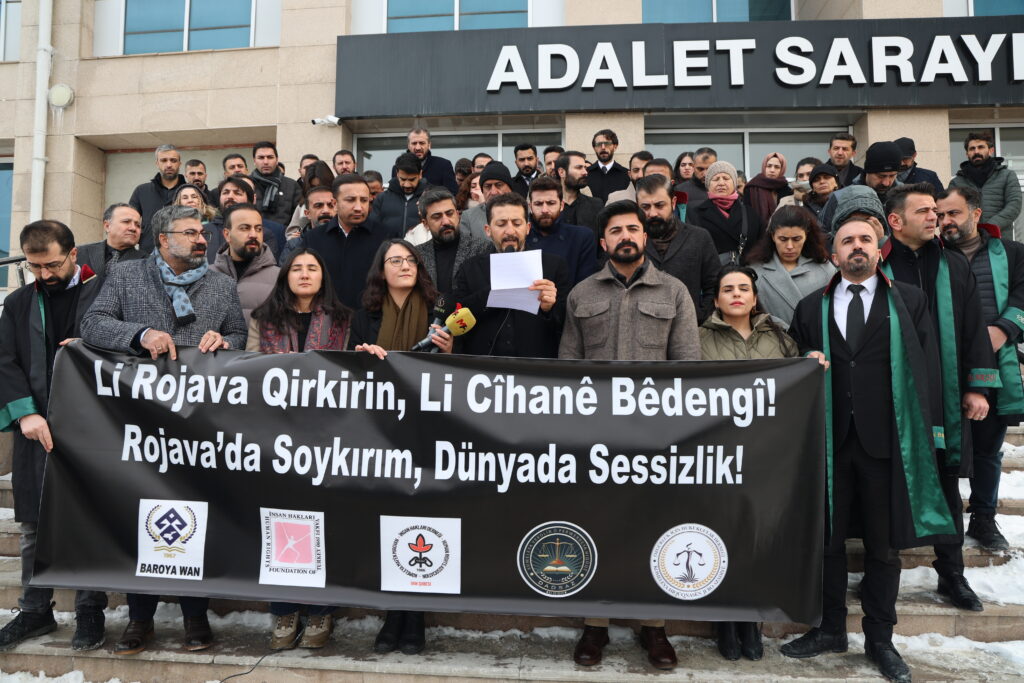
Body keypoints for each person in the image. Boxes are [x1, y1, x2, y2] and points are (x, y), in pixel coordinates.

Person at [785, 217, 957, 683]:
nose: (857, 247)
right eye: (847, 241)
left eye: (865, 239)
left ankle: (880, 638)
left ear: (879, 249)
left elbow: (928, 368)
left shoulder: (910, 301)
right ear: (833, 255)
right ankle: (830, 628)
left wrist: (933, 432)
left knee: (883, 547)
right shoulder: (810, 307)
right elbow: (795, 367)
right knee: (828, 542)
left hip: (888, 443)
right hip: (829, 443)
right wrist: (805, 362)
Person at [80, 204, 247, 655]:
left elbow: (238, 334)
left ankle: (195, 616)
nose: (201, 239)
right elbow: (92, 324)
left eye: (202, 232)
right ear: (162, 239)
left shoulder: (222, 284)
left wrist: (225, 341)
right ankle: (140, 617)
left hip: (198, 423)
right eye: (190, 233)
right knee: (142, 514)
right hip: (139, 420)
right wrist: (141, 335)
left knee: (195, 513)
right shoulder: (125, 275)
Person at [560, 200, 698, 671]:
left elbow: (688, 369)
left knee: (653, 528)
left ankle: (653, 626)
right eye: (616, 230)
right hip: (596, 439)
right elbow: (567, 370)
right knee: (596, 526)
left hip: (654, 439)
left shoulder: (674, 292)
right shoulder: (581, 293)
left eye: (633, 229)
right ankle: (594, 625)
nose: (625, 236)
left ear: (645, 236)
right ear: (603, 242)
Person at [883, 183, 994, 612]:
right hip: (891, 395)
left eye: (937, 210)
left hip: (943, 394)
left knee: (946, 482)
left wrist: (977, 386)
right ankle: (882, 576)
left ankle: (952, 574)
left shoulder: (954, 264)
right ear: (896, 221)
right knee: (886, 483)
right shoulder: (878, 265)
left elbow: (973, 327)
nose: (936, 217)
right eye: (925, 211)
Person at [0, 220, 108, 653]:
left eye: (52, 265)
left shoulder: (104, 292)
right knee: (33, 525)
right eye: (34, 266)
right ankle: (34, 610)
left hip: (94, 427)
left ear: (73, 254)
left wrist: (91, 348)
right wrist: (25, 413)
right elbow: (5, 361)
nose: (44, 274)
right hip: (37, 426)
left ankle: (90, 610)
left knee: (89, 520)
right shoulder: (18, 302)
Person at [346, 239, 451, 655]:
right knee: (388, 520)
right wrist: (362, 357)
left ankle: (416, 616)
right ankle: (393, 614)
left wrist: (452, 352)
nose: (404, 266)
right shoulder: (364, 316)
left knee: (424, 520)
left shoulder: (442, 309)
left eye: (411, 260)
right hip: (382, 432)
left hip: (430, 430)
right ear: (381, 270)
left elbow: (467, 374)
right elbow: (348, 371)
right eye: (395, 260)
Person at [245, 247, 348, 649]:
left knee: (325, 520)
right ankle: (284, 609)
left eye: (313, 268)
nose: (304, 274)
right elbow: (247, 370)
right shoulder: (263, 318)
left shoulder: (345, 320)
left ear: (323, 277)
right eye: (297, 268)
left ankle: (322, 610)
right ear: (285, 276)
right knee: (281, 522)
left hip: (327, 436)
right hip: (276, 436)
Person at [698, 264, 796, 662]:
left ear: (755, 298)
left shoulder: (780, 337)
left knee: (757, 539)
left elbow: (797, 385)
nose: (736, 294)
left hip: (765, 455)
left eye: (743, 288)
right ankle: (725, 619)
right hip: (717, 455)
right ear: (716, 299)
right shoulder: (698, 338)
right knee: (723, 536)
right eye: (728, 289)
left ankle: (750, 619)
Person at [937, 185, 1024, 552]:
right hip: (943, 363)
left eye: (953, 213)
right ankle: (942, 518)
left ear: (976, 214)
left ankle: (984, 517)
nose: (945, 221)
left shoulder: (1012, 253)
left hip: (996, 360)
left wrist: (1003, 329)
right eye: (940, 215)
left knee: (987, 446)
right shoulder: (933, 255)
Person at [453, 193, 569, 358]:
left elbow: (566, 326)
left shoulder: (554, 266)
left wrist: (549, 308)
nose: (510, 231)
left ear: (527, 228)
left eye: (517, 223)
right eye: (501, 224)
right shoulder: (470, 268)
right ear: (488, 230)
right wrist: (494, 292)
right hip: (483, 366)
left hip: (535, 367)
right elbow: (457, 319)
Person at [293, 173, 397, 309]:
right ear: (335, 203)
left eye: (364, 200)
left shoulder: (386, 236)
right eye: (351, 200)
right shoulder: (313, 238)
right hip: (326, 316)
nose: (358, 207)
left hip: (373, 316)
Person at [634, 174, 719, 321]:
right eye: (645, 207)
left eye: (660, 205)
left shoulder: (699, 237)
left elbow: (714, 284)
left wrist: (700, 316)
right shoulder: (631, 242)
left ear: (673, 203)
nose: (652, 213)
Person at [746, 205, 836, 327]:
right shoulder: (756, 273)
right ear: (772, 236)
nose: (789, 246)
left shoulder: (825, 270)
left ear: (806, 236)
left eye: (796, 239)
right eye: (783, 239)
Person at [415, 188, 491, 301]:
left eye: (449, 214)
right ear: (425, 224)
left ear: (458, 215)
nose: (446, 221)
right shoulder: (417, 255)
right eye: (437, 217)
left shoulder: (483, 248)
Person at [211, 202, 279, 325]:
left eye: (258, 229)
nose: (253, 235)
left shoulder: (279, 278)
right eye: (245, 228)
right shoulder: (207, 276)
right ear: (227, 235)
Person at [687, 160, 764, 264]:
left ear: (734, 183)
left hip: (745, 271)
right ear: (708, 185)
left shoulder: (750, 214)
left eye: (726, 178)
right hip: (712, 271)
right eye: (716, 179)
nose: (721, 183)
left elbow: (760, 245)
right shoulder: (695, 213)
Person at [525, 175, 597, 285]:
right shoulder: (521, 239)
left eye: (551, 203)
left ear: (562, 205)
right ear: (530, 207)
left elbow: (586, 286)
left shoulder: (581, 237)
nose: (545, 210)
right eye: (538, 204)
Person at [819, 141, 904, 232]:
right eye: (881, 176)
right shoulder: (840, 197)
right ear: (867, 171)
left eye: (892, 176)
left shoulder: (906, 197)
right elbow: (822, 234)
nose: (886, 183)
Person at [948, 130, 1022, 234]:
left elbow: (1014, 205)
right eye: (972, 149)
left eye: (981, 147)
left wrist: (989, 227)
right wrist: (972, 230)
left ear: (991, 150)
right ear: (967, 154)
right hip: (968, 239)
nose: (976, 152)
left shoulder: (1007, 175)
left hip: (999, 238)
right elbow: (951, 210)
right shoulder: (956, 183)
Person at [129, 144, 187, 251]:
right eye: (164, 160)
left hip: (182, 252)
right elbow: (129, 220)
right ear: (157, 163)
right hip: (147, 253)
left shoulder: (190, 192)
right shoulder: (142, 191)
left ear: (179, 163)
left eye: (173, 160)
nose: (169, 164)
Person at [76, 203, 145, 281]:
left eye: (138, 225)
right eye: (126, 222)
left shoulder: (148, 262)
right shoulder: (80, 253)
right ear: (107, 226)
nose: (133, 228)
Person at [372, 152, 428, 236]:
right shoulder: (382, 198)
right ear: (397, 174)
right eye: (403, 179)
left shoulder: (429, 198)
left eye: (412, 180)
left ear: (420, 174)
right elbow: (373, 228)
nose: (407, 185)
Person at [250, 141, 303, 226]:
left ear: (277, 160)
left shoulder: (292, 185)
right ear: (254, 161)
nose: (266, 162)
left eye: (270, 157)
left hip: (283, 233)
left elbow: (298, 217)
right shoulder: (247, 184)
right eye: (261, 158)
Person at [555, 151, 604, 239]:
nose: (585, 172)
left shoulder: (596, 205)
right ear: (562, 172)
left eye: (585, 168)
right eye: (579, 168)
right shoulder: (549, 207)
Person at [461, 161, 514, 240]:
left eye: (499, 185)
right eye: (488, 186)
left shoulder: (523, 211)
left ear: (510, 188)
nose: (493, 192)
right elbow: (464, 246)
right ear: (482, 190)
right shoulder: (469, 217)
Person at [397, 128, 457, 193]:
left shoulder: (444, 166)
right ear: (408, 146)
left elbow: (452, 193)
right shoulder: (398, 168)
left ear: (429, 145)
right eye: (414, 143)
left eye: (422, 143)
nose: (418, 148)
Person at [287, 160, 335, 237]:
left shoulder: (341, 202)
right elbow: (291, 232)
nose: (318, 190)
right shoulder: (303, 205)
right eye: (313, 187)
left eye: (330, 205)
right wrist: (296, 238)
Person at [744, 152, 794, 224]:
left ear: (782, 169)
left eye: (777, 167)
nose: (772, 170)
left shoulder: (787, 191)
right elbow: (747, 215)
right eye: (769, 166)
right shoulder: (751, 188)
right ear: (764, 167)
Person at [586, 129, 630, 202]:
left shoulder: (626, 174)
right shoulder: (586, 174)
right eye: (599, 144)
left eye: (607, 144)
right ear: (594, 148)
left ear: (615, 146)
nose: (603, 147)